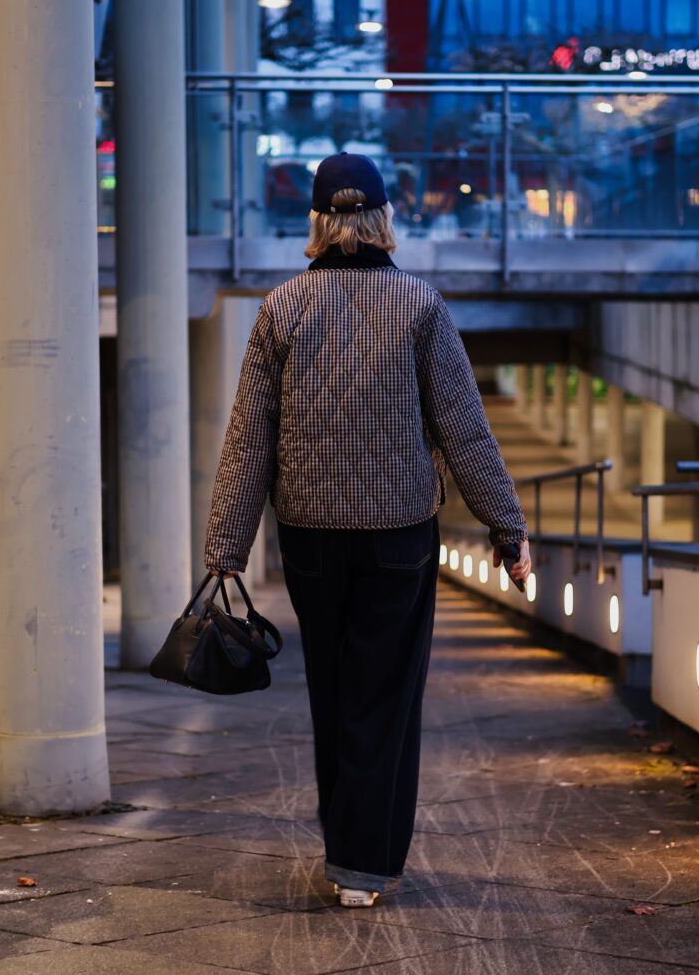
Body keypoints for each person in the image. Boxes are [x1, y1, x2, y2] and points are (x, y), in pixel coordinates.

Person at [204, 152, 531, 908]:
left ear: (317, 221)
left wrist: (227, 548)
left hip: (310, 534)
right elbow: (463, 429)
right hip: (398, 535)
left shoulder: (281, 308)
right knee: (384, 697)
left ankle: (345, 853)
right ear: (384, 218)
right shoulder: (420, 305)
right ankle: (364, 864)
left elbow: (249, 438)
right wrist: (506, 526)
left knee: (332, 692)